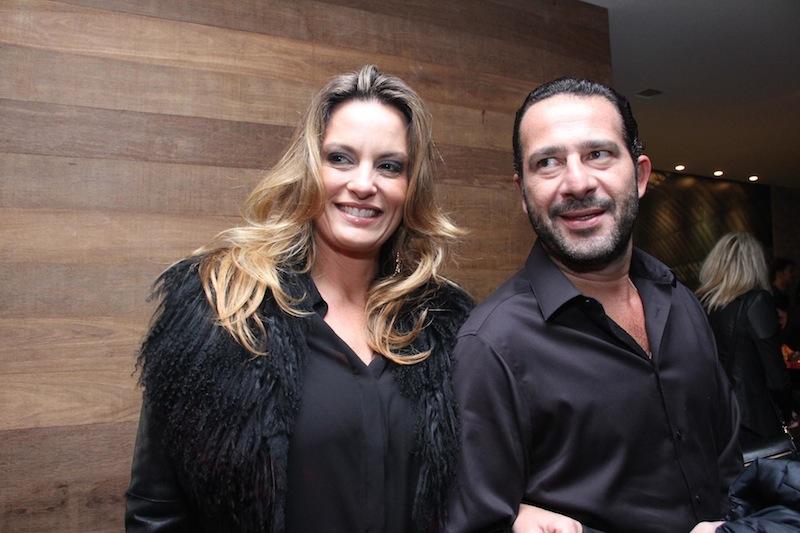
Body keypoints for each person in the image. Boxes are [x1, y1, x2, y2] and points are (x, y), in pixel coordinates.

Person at [125, 65, 473, 533]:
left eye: (389, 166)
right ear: (310, 166)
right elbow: (156, 510)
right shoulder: (223, 308)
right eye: (341, 158)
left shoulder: (444, 326)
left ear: (411, 187)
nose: (364, 184)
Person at [444, 77, 742, 533]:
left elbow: (728, 469)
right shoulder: (492, 348)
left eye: (598, 154)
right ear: (523, 193)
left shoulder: (680, 301)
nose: (577, 182)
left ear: (640, 176)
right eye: (548, 162)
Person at [697, 232, 794, 450]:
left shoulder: (700, 304)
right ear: (755, 265)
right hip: (753, 420)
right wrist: (788, 412)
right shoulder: (757, 301)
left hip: (715, 419)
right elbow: (776, 377)